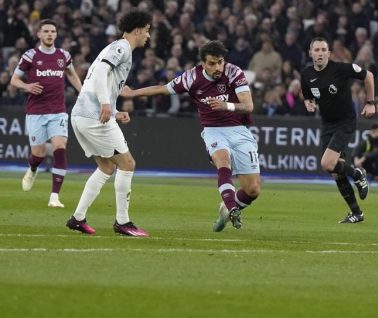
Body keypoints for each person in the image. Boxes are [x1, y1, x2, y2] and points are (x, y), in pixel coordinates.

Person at [121, 40, 259, 232]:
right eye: (212, 63)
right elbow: (162, 89)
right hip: (213, 129)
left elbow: (249, 105)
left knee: (252, 190)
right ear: (203, 63)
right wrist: (132, 93)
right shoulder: (191, 78)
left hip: (239, 129)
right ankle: (231, 206)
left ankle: (226, 209)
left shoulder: (234, 72)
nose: (217, 67)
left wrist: (226, 105)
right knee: (223, 160)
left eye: (220, 62)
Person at [65, 10, 152, 237]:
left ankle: (78, 218)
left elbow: (96, 80)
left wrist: (113, 111)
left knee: (106, 167)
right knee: (127, 163)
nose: (148, 36)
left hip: (81, 115)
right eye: (148, 30)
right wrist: (105, 104)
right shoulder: (121, 48)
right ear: (138, 29)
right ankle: (123, 222)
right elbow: (102, 71)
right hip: (93, 116)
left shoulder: (117, 48)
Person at [301, 37, 375, 224]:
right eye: (316, 50)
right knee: (336, 171)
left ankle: (358, 174)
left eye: (322, 50)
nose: (319, 53)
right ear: (311, 53)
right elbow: (308, 94)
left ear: (328, 53)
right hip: (327, 123)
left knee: (327, 163)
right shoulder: (306, 73)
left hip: (345, 121)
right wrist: (308, 103)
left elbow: (369, 76)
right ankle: (357, 213)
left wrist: (370, 103)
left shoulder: (340, 69)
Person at [10, 19, 82, 208]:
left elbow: (71, 74)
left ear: (56, 35)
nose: (50, 34)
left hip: (58, 110)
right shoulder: (30, 56)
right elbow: (14, 80)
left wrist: (82, 93)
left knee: (60, 146)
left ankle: (54, 196)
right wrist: (26, 86)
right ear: (39, 34)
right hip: (36, 112)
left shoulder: (63, 55)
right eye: (46, 31)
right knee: (38, 154)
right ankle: (33, 168)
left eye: (53, 31)